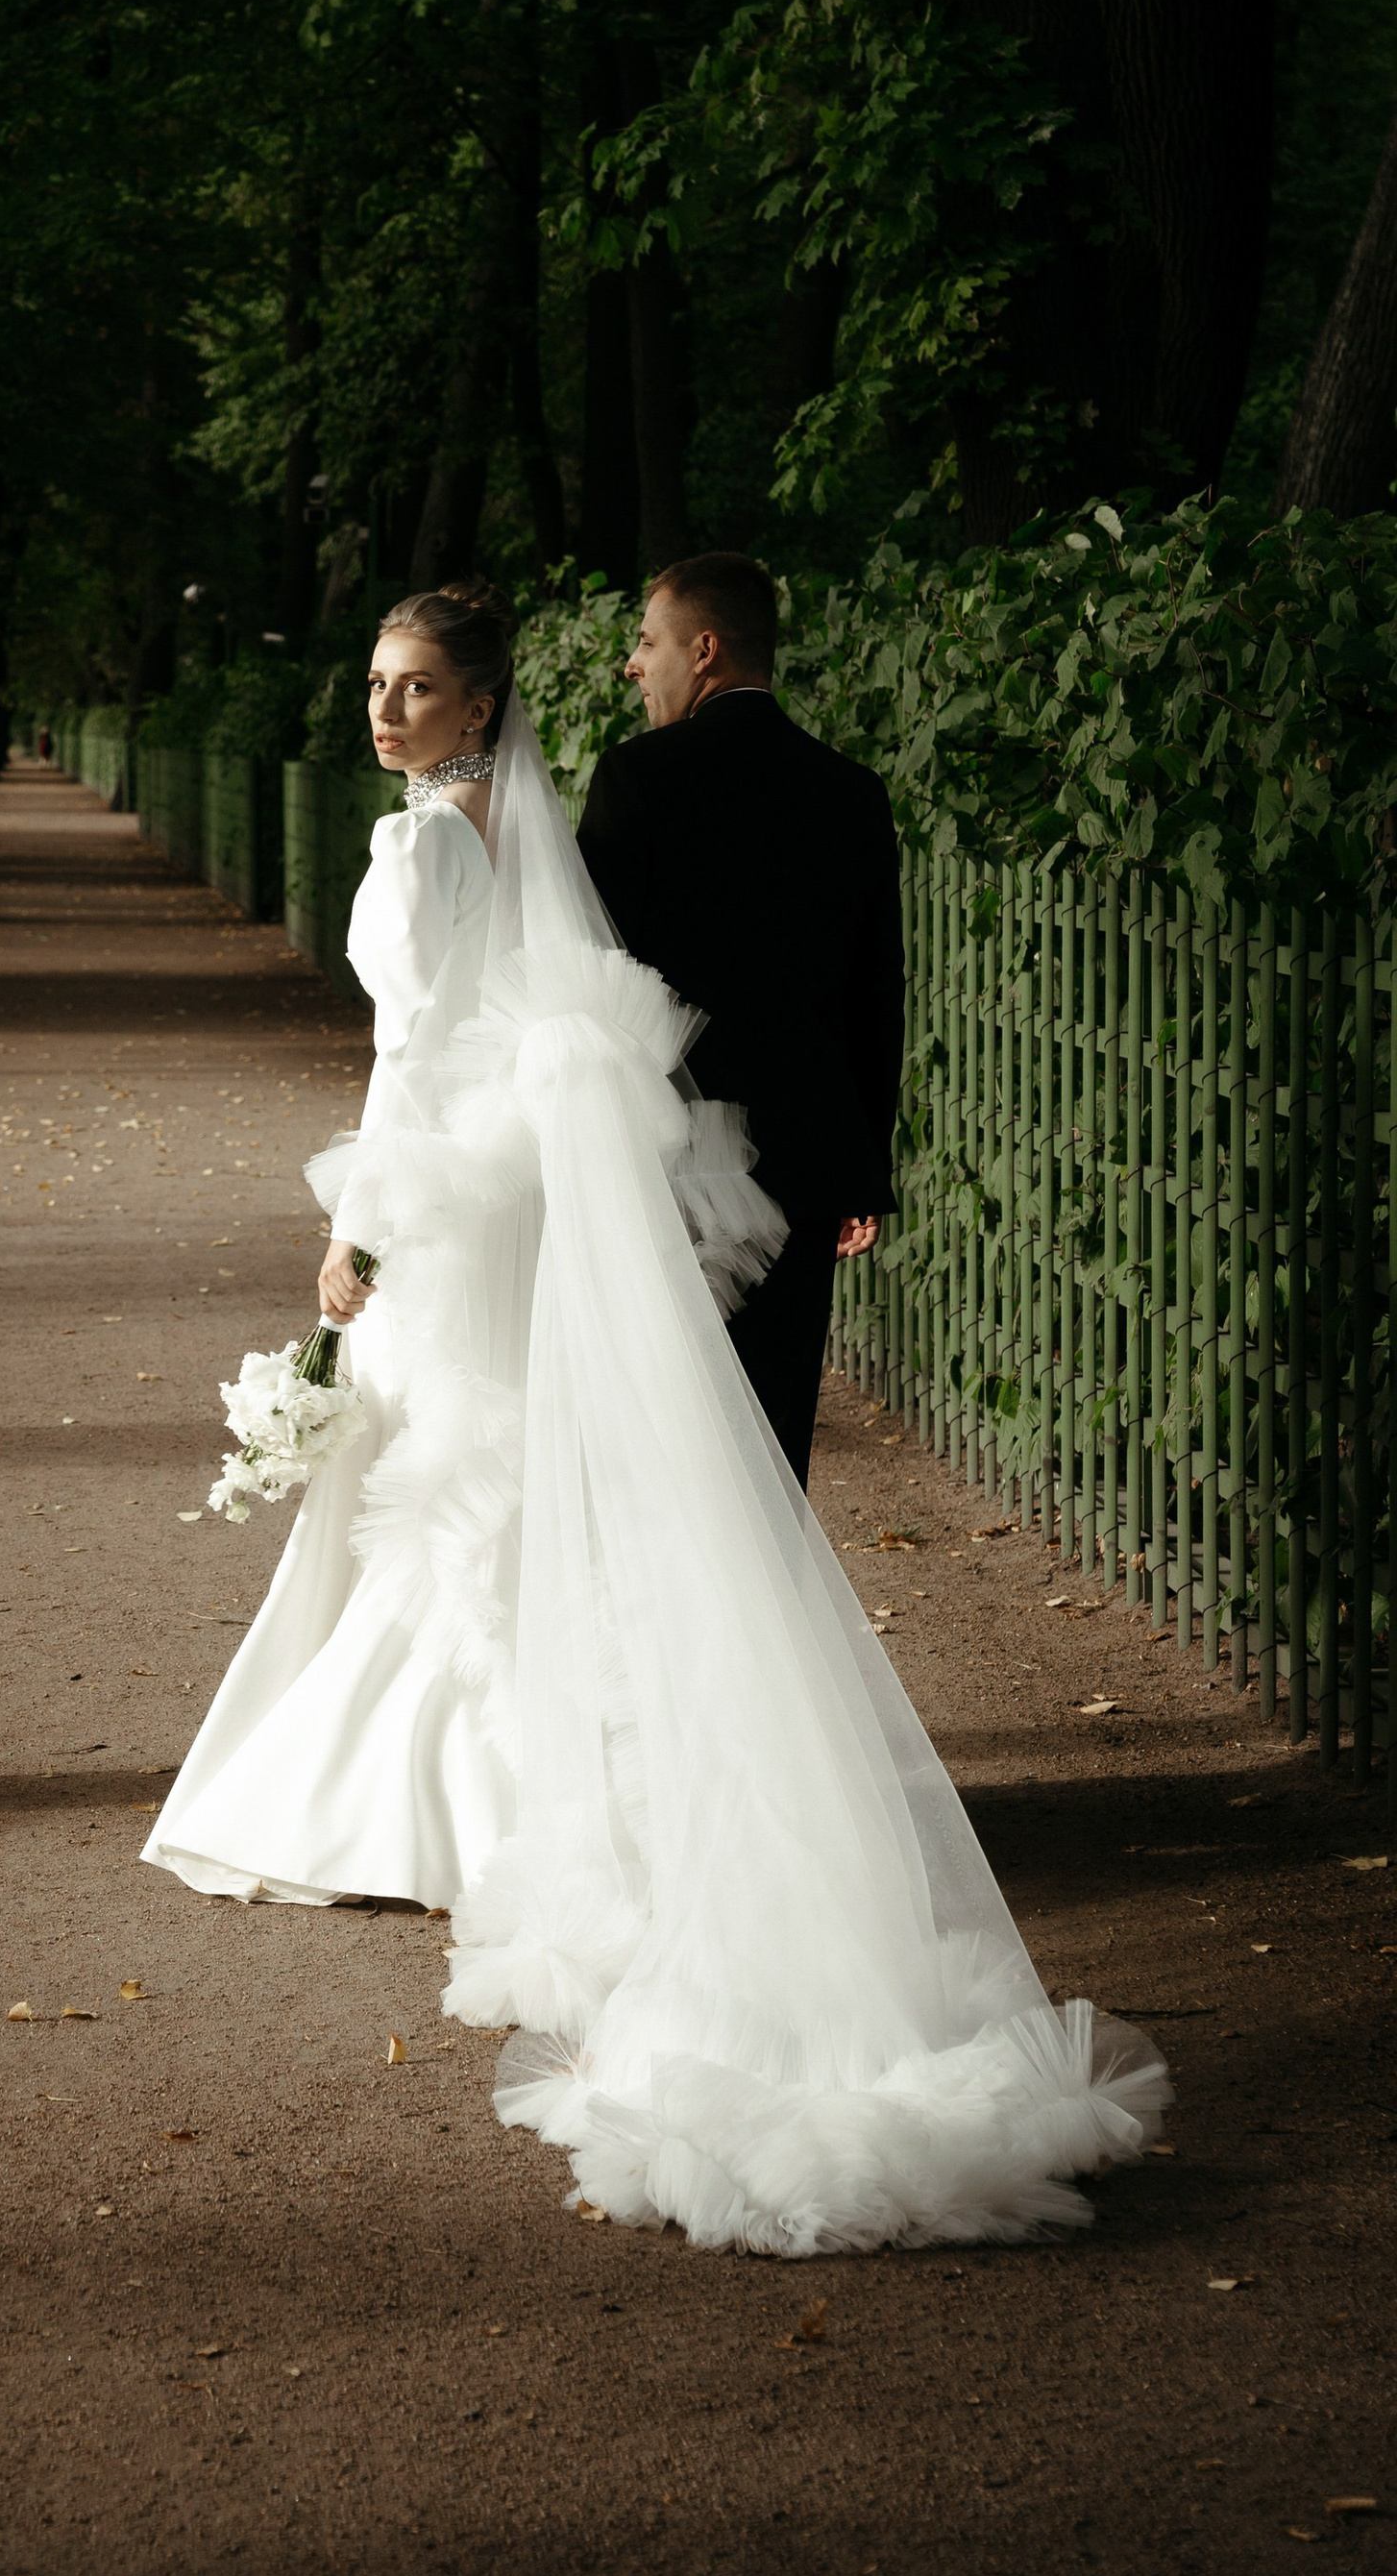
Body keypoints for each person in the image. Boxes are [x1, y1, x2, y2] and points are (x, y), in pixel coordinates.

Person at [144, 578, 1165, 2257]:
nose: (387, 711)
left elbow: (452, 1038)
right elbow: (852, 985)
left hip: (518, 1170)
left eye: (413, 687)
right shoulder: (808, 794)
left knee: (507, 1477)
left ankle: (513, 1791)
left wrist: (371, 1215)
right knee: (698, 1485)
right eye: (379, 684)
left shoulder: (554, 812)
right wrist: (855, 1161)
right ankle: (681, 1757)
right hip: (703, 1166)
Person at [576, 552, 900, 1488]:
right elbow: (875, 992)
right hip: (801, 1167)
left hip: (662, 1162)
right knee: (771, 1432)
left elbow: (595, 985)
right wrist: (859, 1168)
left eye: (647, 641)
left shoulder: (637, 779)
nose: (635, 664)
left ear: (703, 649)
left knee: (657, 1431)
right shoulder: (849, 791)